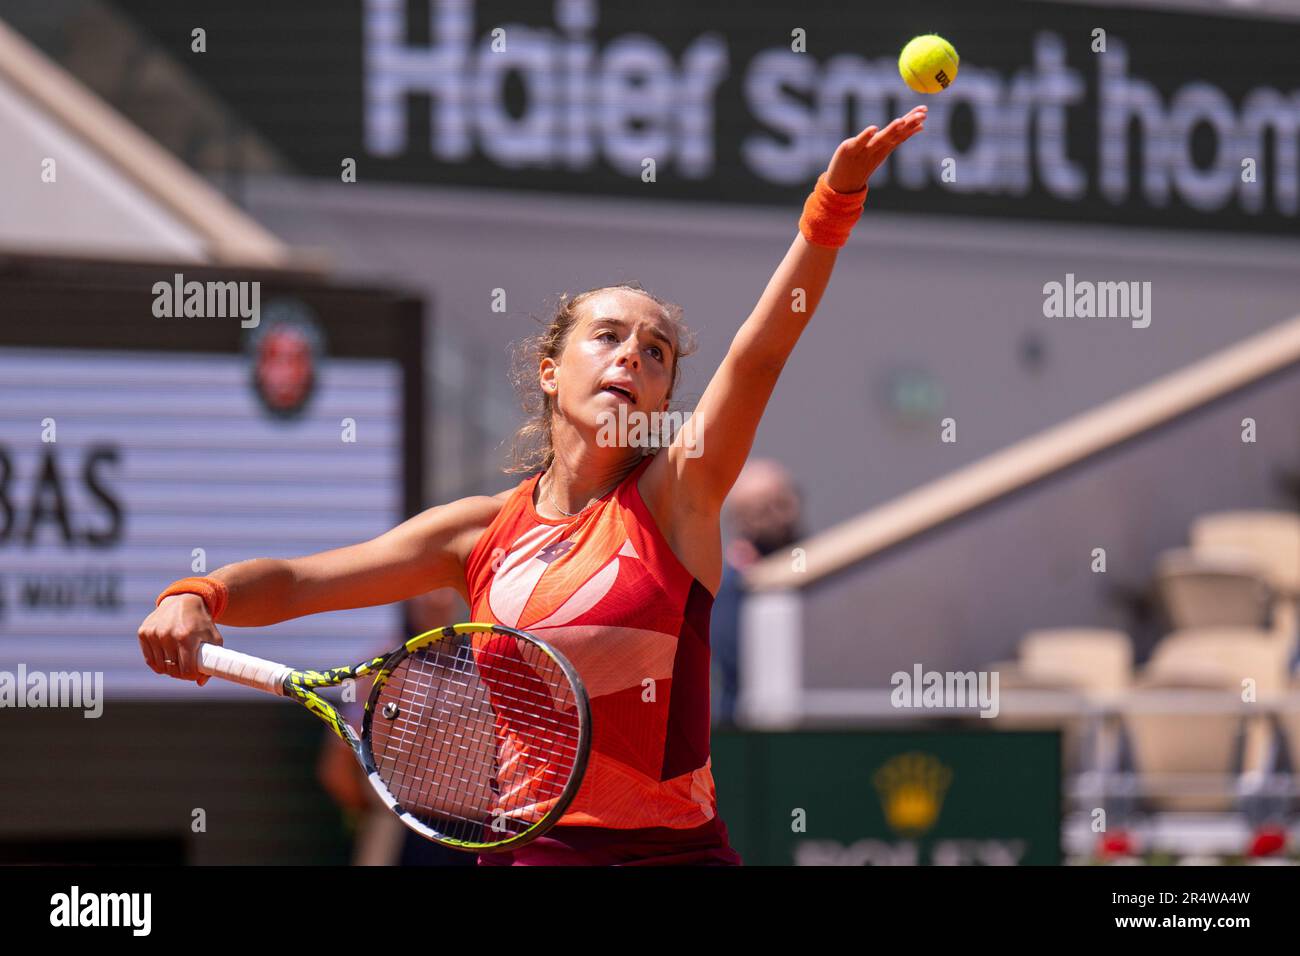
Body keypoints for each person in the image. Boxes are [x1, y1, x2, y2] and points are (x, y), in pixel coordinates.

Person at [136, 104, 929, 865]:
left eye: (656, 353)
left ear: (662, 400)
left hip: (681, 853)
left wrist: (834, 202)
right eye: (608, 337)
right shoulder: (475, 535)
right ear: (550, 371)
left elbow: (759, 356)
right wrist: (201, 595)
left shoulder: (678, 494)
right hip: (537, 857)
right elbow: (304, 580)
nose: (632, 357)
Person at [316, 588, 477, 866]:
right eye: (427, 591)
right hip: (401, 833)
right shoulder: (381, 667)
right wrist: (376, 814)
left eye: (447, 589)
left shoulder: (487, 663)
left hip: (478, 837)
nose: (438, 600)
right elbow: (336, 767)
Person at [711, 460, 805, 727]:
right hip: (745, 733)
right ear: (740, 519)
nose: (781, 516)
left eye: (784, 502)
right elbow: (735, 660)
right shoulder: (727, 585)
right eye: (764, 508)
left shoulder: (816, 572)